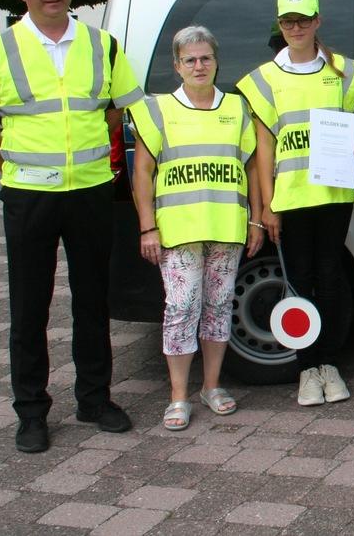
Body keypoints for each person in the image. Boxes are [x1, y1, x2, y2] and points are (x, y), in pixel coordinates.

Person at [0, 0, 143, 452]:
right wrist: (15, 171)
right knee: (29, 305)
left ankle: (95, 399)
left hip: (90, 192)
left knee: (92, 300)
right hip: (29, 197)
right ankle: (32, 411)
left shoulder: (103, 45)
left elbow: (116, 115)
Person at [237, 0, 354, 406]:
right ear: (280, 25)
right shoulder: (263, 79)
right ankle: (307, 369)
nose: (296, 27)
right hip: (291, 197)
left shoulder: (345, 72)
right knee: (298, 282)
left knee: (330, 279)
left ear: (317, 21)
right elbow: (263, 148)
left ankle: (329, 364)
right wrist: (268, 206)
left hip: (333, 190)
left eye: (303, 20)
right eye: (287, 21)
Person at [129, 26, 264, 430]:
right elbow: (142, 172)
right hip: (177, 232)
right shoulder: (156, 110)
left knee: (219, 308)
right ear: (177, 66)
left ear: (216, 61)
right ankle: (177, 396)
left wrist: (256, 218)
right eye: (190, 59)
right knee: (181, 308)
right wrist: (147, 228)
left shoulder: (238, 108)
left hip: (226, 226)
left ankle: (211, 386)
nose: (199, 65)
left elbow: (253, 166)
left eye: (206, 57)